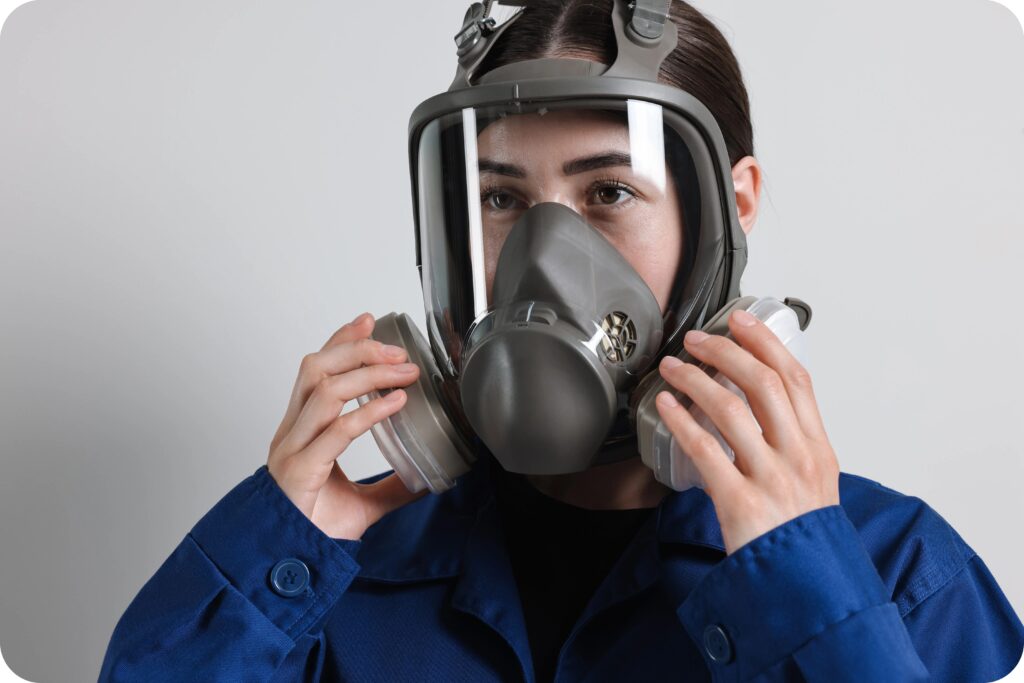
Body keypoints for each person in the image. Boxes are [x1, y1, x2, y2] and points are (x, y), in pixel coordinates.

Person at [99, 1, 1024, 681]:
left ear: (732, 205)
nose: (544, 258)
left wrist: (809, 588)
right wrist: (277, 559)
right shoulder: (334, 575)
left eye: (609, 193)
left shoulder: (897, 572)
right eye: (501, 199)